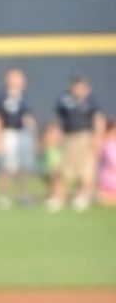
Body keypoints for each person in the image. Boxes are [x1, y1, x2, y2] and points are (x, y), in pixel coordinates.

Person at [47, 74, 106, 213]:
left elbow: (99, 118)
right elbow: (58, 118)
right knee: (61, 169)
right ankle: (58, 197)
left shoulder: (92, 101)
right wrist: (56, 135)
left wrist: (98, 137)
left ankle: (83, 196)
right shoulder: (64, 99)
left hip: (85, 137)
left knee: (86, 170)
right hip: (68, 137)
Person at [0, 69, 36, 209]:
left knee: (24, 167)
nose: (18, 81)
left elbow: (29, 119)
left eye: (20, 78)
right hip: (7, 133)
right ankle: (4, 195)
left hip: (23, 134)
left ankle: (24, 194)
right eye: (14, 78)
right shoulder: (1, 97)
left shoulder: (25, 97)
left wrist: (33, 138)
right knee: (7, 166)